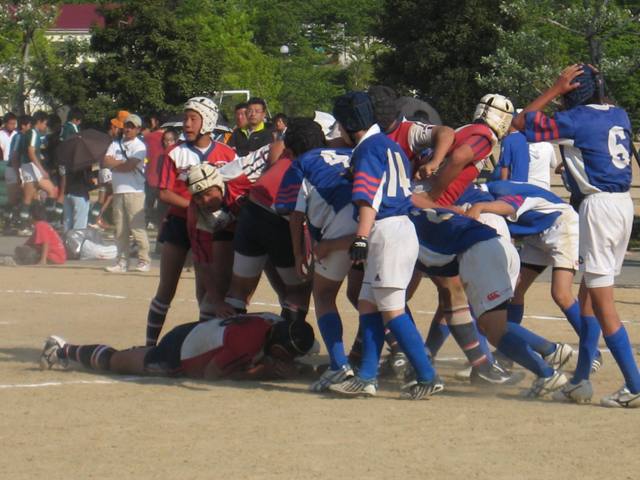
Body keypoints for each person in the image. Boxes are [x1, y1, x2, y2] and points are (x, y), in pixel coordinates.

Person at [511, 63, 640, 408]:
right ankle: (581, 381)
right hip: (622, 206)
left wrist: (554, 89)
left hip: (598, 208)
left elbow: (520, 122)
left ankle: (634, 384)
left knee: (603, 303)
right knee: (587, 299)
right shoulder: (620, 113)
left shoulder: (576, 120)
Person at [327, 92, 441, 400]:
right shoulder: (390, 145)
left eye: (340, 125)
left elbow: (369, 196)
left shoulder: (367, 150)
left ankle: (427, 375)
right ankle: (366, 376)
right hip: (397, 230)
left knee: (391, 310)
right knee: (368, 304)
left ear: (350, 124)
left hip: (386, 231)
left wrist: (361, 238)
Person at [409, 207, 570, 397]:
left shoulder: (396, 227)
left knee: (495, 331)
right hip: (499, 245)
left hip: (480, 253)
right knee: (491, 325)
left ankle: (547, 371)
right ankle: (541, 357)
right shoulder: (412, 211)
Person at [274, 119, 362, 392]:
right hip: (373, 227)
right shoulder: (354, 152)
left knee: (324, 295)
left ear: (291, 149)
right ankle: (396, 354)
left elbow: (291, 212)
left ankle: (339, 366)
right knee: (370, 299)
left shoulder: (301, 164)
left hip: (336, 233)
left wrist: (300, 253)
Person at [146, 97, 235, 346]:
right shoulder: (175, 153)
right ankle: (149, 345)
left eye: (193, 118)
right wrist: (196, 206)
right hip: (178, 224)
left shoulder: (227, 154)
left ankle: (202, 345)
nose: (187, 123)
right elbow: (164, 192)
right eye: (186, 118)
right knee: (166, 288)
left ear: (207, 121)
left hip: (212, 228)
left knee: (206, 291)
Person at [39, 312, 315, 381]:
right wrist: (265, 373)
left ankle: (65, 349)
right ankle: (62, 350)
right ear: (278, 348)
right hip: (178, 356)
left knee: (130, 356)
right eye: (291, 354)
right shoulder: (247, 345)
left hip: (193, 332)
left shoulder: (273, 323)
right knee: (117, 361)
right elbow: (211, 374)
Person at [102, 114, 151, 273]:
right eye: (126, 126)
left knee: (137, 228)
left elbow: (129, 166)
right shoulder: (115, 143)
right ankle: (122, 261)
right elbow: (106, 161)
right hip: (118, 191)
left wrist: (116, 164)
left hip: (134, 191)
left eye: (131, 126)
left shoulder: (140, 146)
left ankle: (144, 260)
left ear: (138, 129)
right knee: (120, 229)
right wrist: (121, 163)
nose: (128, 129)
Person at [16, 111, 58, 233]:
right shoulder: (33, 133)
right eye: (45, 124)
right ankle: (41, 223)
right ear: (39, 122)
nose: (45, 126)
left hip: (28, 166)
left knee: (35, 196)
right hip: (30, 167)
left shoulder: (29, 133)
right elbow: (31, 152)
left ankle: (34, 224)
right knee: (43, 193)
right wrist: (41, 169)